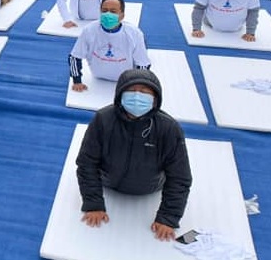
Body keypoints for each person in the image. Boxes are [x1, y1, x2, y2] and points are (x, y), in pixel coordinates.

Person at [76, 69, 192, 241]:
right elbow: (87, 163)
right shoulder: (103, 120)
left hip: (150, 188)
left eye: (144, 92)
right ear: (120, 95)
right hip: (107, 182)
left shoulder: (169, 129)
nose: (137, 96)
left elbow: (180, 177)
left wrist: (168, 217)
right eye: (131, 90)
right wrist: (93, 204)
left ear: (155, 99)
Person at [69, 0, 150, 92]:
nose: (108, 14)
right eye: (104, 10)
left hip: (125, 79)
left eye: (113, 11)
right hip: (98, 76)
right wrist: (77, 81)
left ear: (122, 15)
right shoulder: (89, 30)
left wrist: (138, 85)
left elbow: (143, 64)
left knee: (141, 49)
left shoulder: (134, 33)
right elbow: (74, 56)